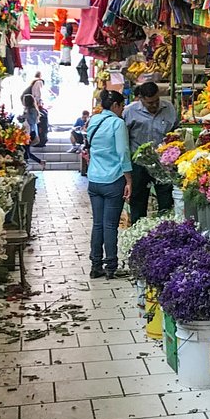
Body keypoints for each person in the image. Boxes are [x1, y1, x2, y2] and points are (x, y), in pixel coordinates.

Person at [84, 90, 133, 279]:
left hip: (94, 179)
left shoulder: (93, 121)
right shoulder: (117, 123)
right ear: (115, 106)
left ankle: (96, 265)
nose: (122, 110)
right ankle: (111, 265)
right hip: (113, 179)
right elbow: (123, 153)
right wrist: (129, 179)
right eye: (122, 106)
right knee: (110, 225)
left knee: (98, 224)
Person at [124, 81, 178, 223]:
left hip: (163, 163)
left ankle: (165, 231)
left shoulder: (169, 108)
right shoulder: (130, 112)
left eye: (156, 101)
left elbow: (176, 133)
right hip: (138, 164)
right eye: (150, 103)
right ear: (141, 99)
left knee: (166, 199)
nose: (154, 105)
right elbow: (123, 138)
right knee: (138, 199)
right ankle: (138, 231)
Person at [20, 93, 43, 165]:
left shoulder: (32, 110)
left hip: (30, 131)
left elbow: (32, 121)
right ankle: (40, 162)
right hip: (26, 130)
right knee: (26, 150)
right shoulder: (27, 109)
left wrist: (25, 116)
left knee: (26, 149)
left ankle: (38, 162)